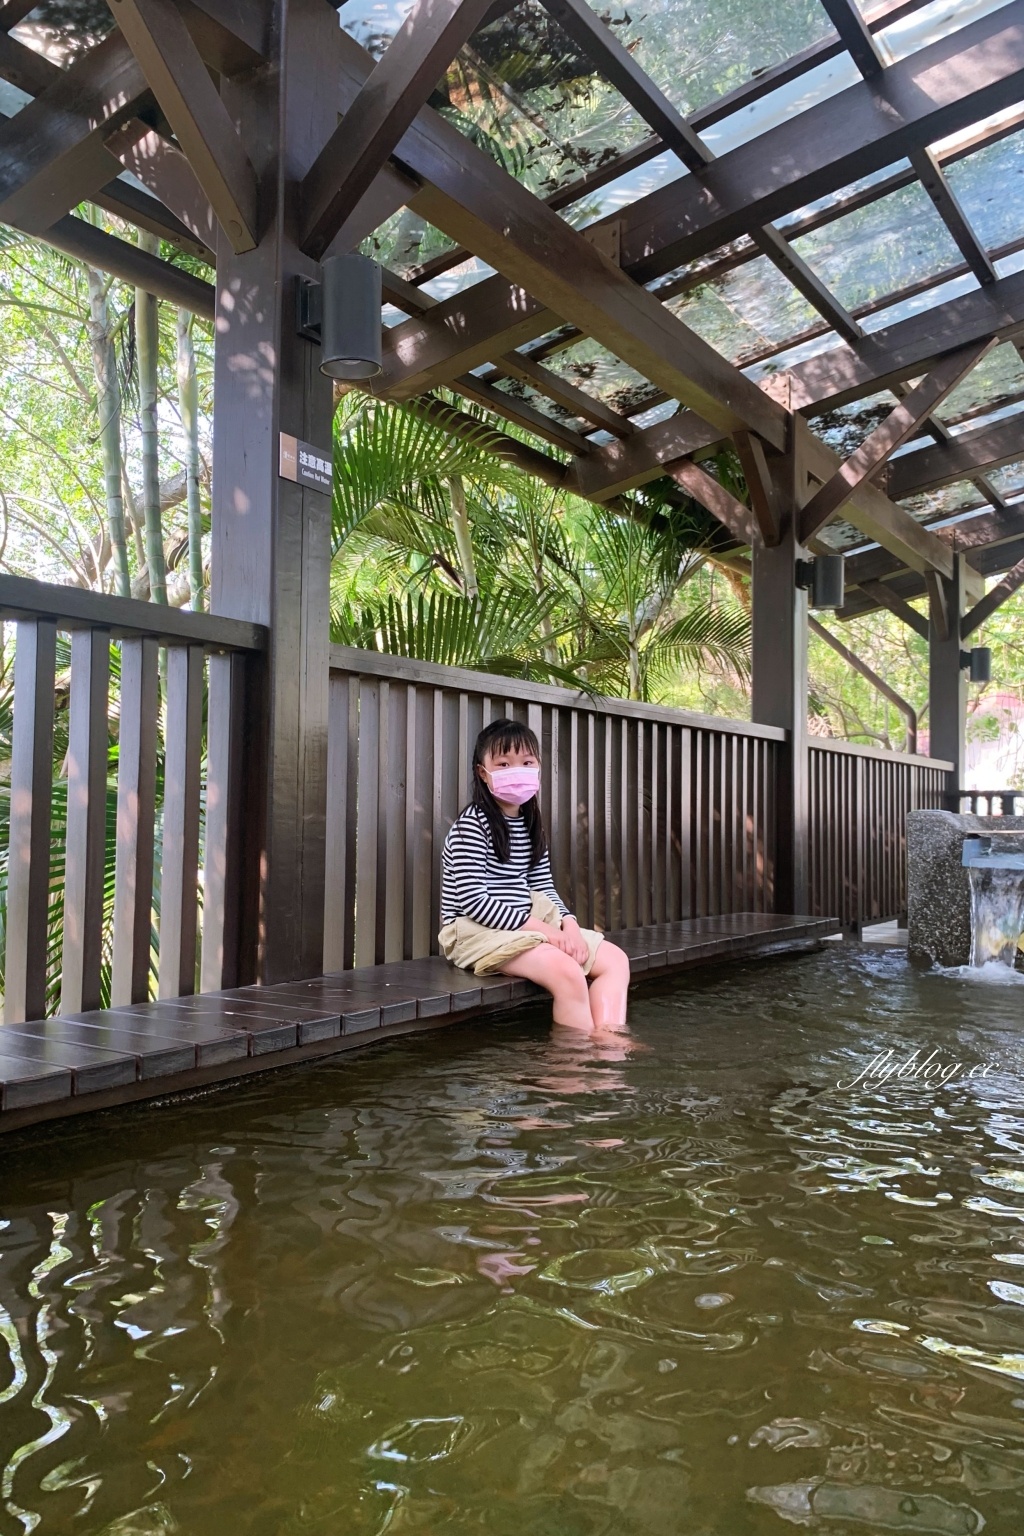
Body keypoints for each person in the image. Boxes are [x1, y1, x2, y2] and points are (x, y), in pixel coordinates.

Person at [438, 718, 631, 1034]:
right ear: (482, 772)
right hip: (475, 932)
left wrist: (568, 926)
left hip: (528, 926)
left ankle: (609, 1043)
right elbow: (474, 902)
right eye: (503, 764)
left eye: (527, 762)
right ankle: (575, 1059)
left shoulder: (529, 823)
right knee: (567, 972)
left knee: (616, 961)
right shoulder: (471, 826)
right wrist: (547, 933)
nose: (517, 770)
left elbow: (542, 886)